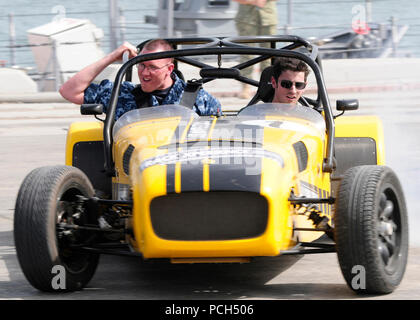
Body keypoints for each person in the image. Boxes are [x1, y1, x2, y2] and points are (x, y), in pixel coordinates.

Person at [59, 39, 221, 120]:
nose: (144, 73)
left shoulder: (200, 100)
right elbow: (68, 91)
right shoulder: (121, 94)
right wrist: (111, 57)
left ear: (169, 69)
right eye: (141, 65)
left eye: (152, 67)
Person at [233, 0, 278, 99]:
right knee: (246, 54)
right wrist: (253, 1)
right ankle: (246, 86)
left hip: (268, 17)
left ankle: (269, 85)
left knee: (270, 55)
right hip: (247, 19)